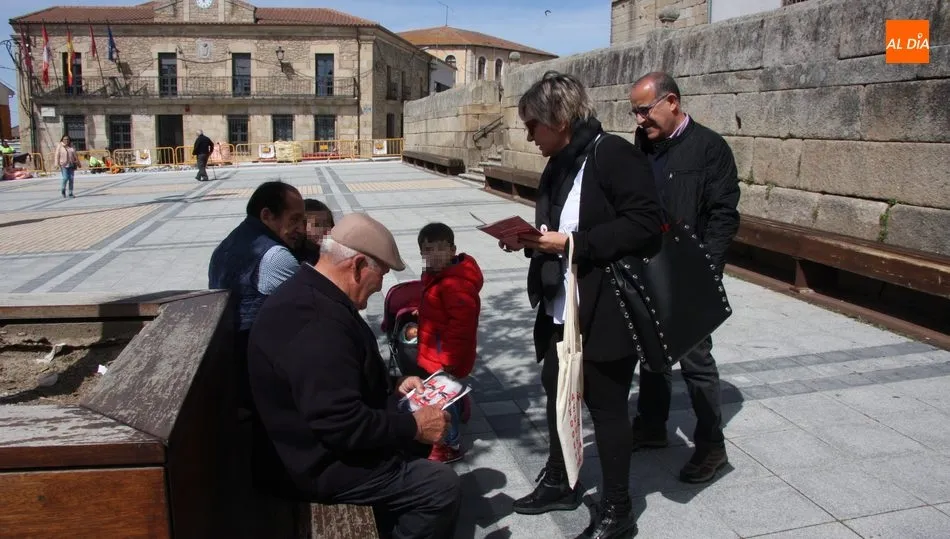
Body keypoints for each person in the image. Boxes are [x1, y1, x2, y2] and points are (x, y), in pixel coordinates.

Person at [501, 71, 665, 539]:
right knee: (555, 390)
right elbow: (557, 231)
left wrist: (571, 242)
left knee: (607, 406)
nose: (529, 135)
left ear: (560, 118)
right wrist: (531, 242)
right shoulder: (559, 162)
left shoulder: (611, 154)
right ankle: (560, 480)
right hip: (560, 307)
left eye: (534, 125)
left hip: (604, 307)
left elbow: (645, 224)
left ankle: (618, 510)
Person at [248, 213, 461, 539]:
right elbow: (341, 423)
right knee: (440, 487)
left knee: (415, 445)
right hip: (316, 466)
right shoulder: (317, 323)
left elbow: (339, 377)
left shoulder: (313, 292)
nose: (380, 287)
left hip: (313, 447)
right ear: (359, 266)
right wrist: (414, 425)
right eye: (382, 274)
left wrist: (394, 386)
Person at [628, 72, 740, 483]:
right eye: (635, 111)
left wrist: (706, 270)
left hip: (692, 272)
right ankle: (653, 426)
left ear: (671, 102)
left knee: (695, 360)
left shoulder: (710, 148)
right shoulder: (644, 145)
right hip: (649, 265)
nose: (639, 119)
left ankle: (712, 448)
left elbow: (724, 214)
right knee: (651, 349)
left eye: (644, 109)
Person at [208, 181, 305, 408]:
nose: (301, 228)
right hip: (260, 372)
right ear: (267, 215)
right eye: (294, 220)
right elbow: (311, 310)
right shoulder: (274, 256)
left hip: (232, 359)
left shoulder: (227, 244)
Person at [412, 222, 483, 464]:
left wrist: (449, 361)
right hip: (435, 351)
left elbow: (462, 327)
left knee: (442, 403)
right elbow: (438, 310)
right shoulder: (436, 277)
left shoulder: (456, 284)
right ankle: (461, 402)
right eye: (427, 251)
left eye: (439, 249)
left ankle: (449, 444)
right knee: (447, 395)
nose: (432, 256)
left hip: (445, 357)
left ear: (452, 250)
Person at [293, 198, 335, 265]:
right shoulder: (296, 260)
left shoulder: (335, 251)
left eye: (328, 223)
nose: (325, 229)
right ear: (302, 227)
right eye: (317, 225)